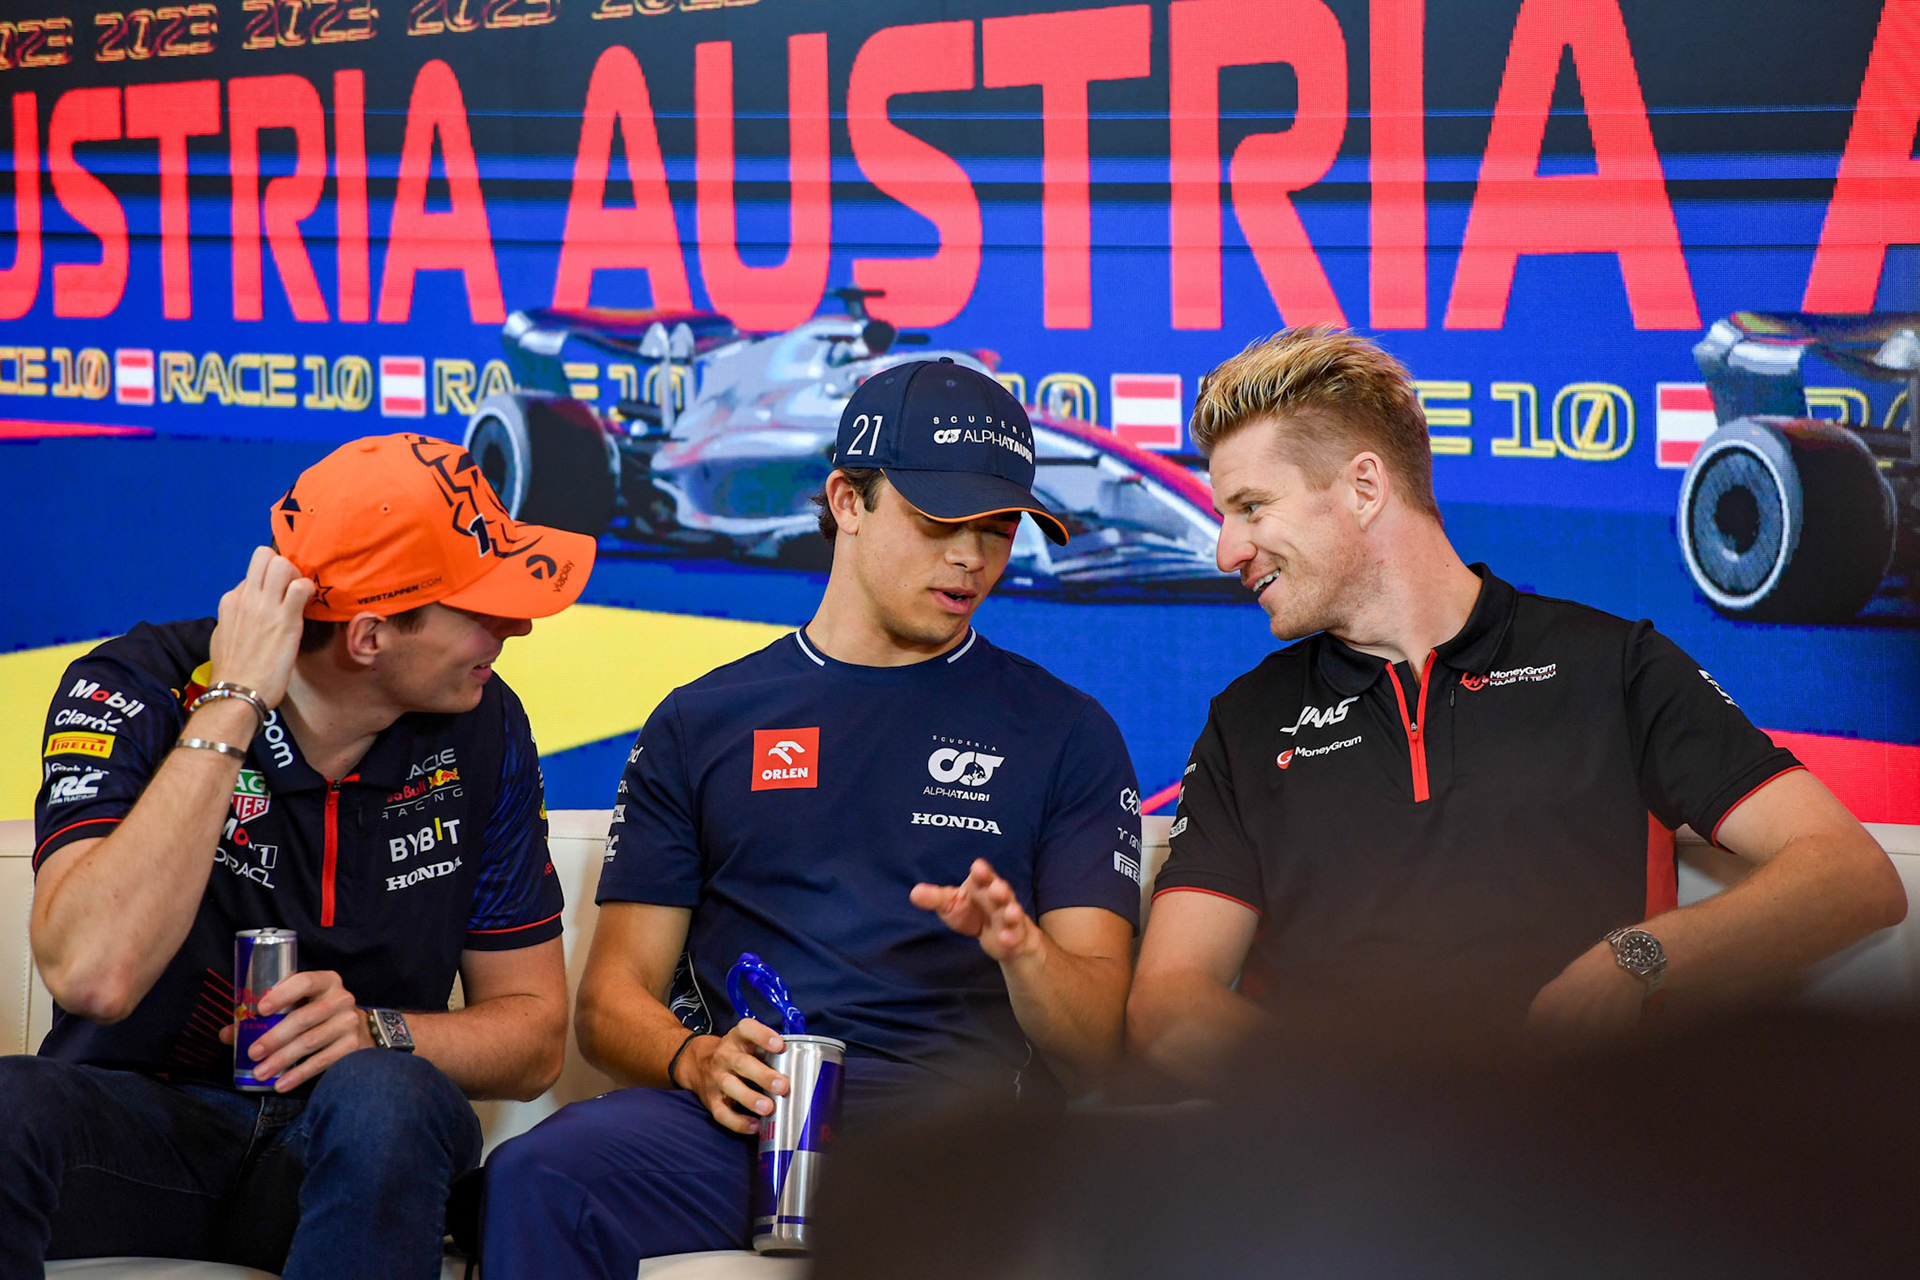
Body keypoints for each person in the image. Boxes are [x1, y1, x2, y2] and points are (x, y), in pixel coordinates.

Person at [481, 358, 1143, 1275]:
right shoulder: (702, 719)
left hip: (954, 1135)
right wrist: (694, 1059)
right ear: (847, 500)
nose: (972, 559)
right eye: (940, 522)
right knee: (538, 1176)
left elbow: (1099, 1037)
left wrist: (1024, 949)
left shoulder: (1066, 731)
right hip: (745, 1115)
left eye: (999, 529)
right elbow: (608, 1003)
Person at [1126, 326, 1907, 1079]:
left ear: (1365, 487)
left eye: (1252, 508)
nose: (1226, 548)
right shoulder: (1247, 721)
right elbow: (1169, 1005)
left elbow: (1849, 875)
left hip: (1577, 1169)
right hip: (1341, 1187)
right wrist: (1343, 1110)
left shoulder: (1610, 664)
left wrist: (1636, 959)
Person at [1, 434, 594, 1278]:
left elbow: (534, 1039)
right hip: (141, 1141)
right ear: (368, 637)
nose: (519, 625)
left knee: (388, 1093)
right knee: (8, 1102)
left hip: (349, 1149)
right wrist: (235, 701)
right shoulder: (135, 687)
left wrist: (371, 1031)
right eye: (482, 608)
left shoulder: (485, 724)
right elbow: (94, 974)